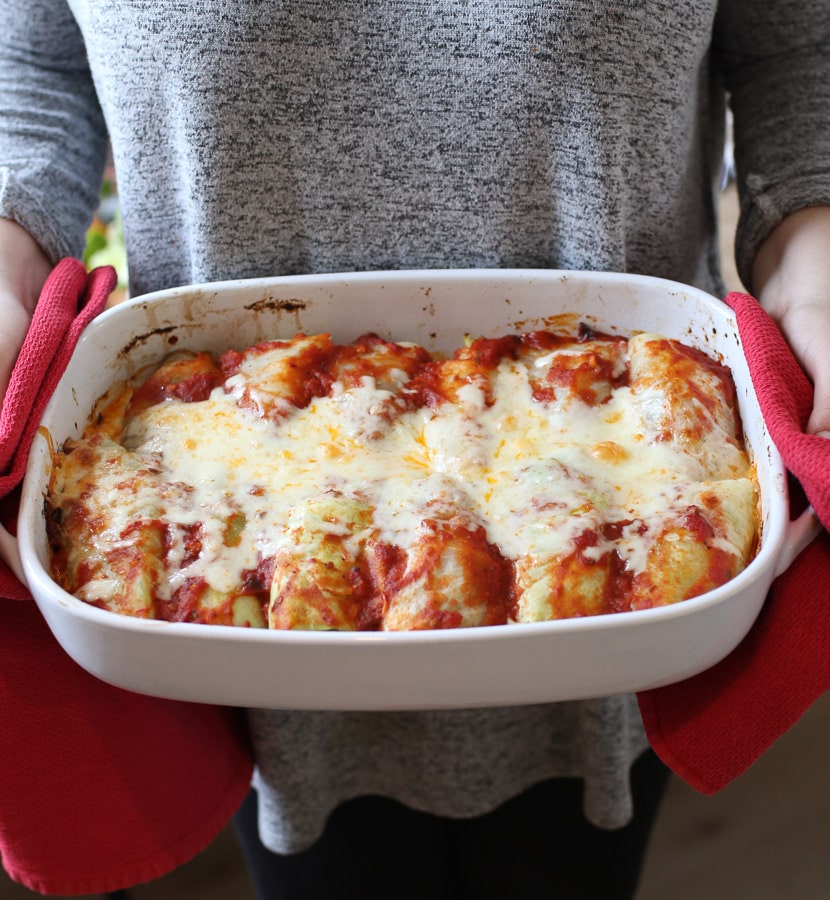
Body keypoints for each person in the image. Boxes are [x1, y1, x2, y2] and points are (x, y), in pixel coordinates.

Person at [1, 2, 828, 898]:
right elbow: (32, 62)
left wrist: (817, 287)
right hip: (208, 541)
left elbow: (796, 46)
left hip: (645, 479)